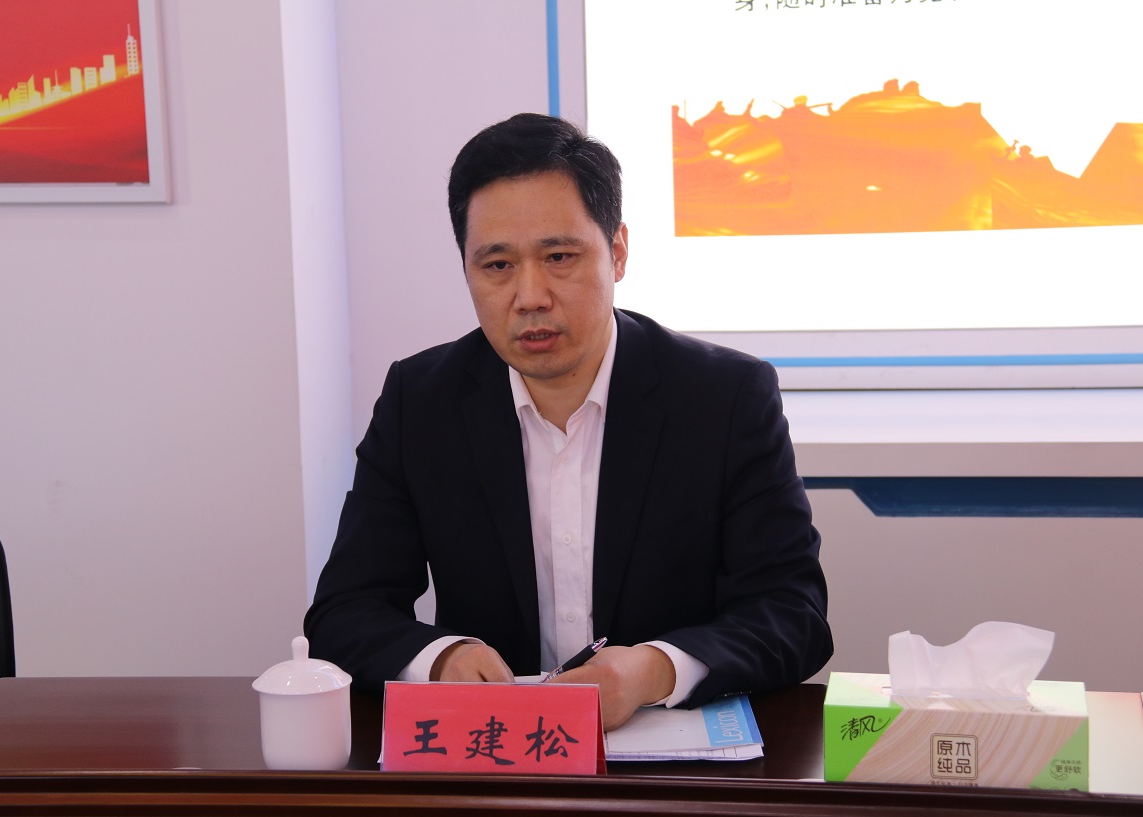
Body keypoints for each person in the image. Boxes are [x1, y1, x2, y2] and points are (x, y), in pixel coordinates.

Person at [305, 113, 831, 730]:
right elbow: (344, 610)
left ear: (618, 252)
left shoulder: (725, 397)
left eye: (559, 256)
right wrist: (441, 657)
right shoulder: (419, 402)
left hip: (666, 755)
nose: (530, 296)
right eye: (497, 266)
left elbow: (792, 614)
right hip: (499, 756)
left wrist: (654, 670)